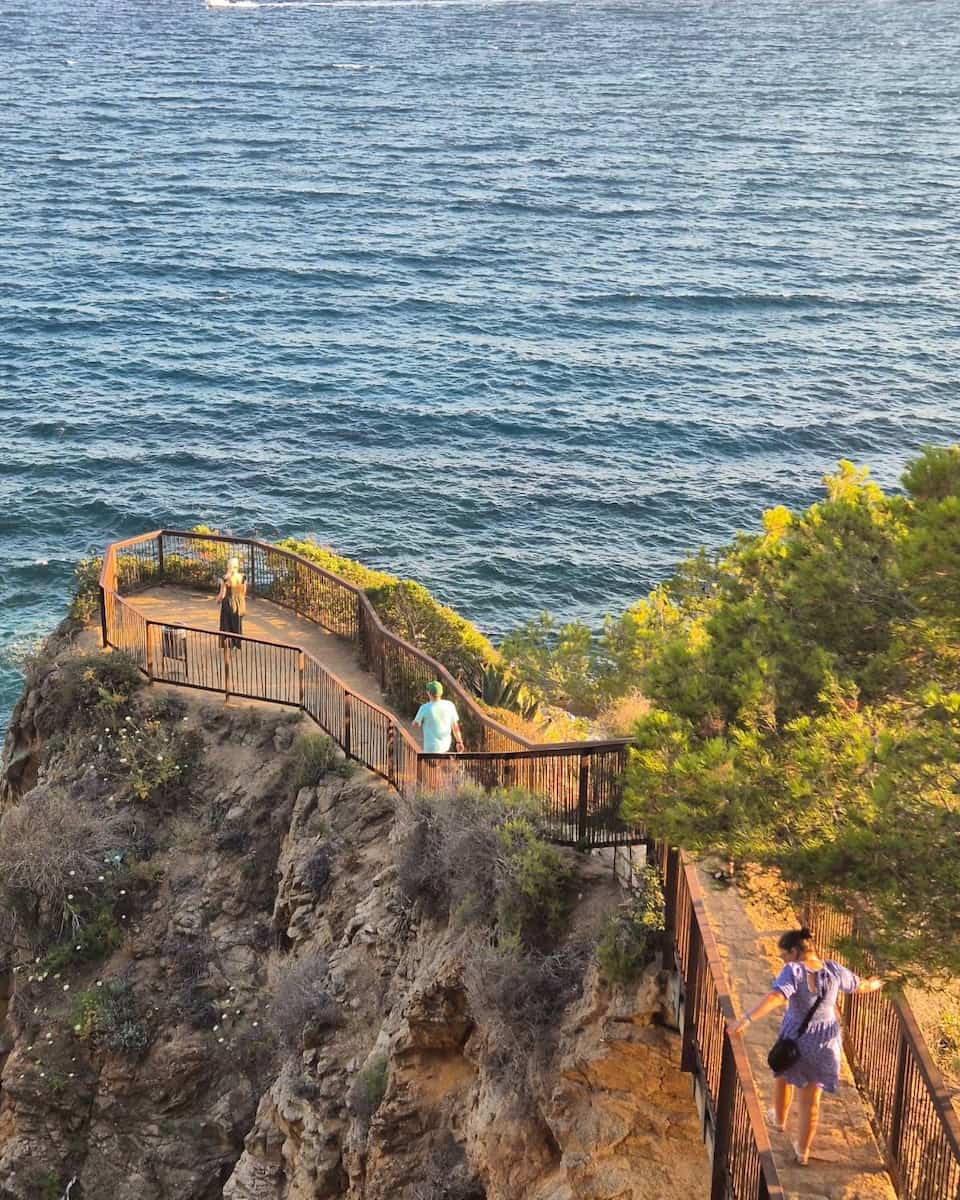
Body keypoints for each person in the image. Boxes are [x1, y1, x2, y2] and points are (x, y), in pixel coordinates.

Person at [728, 926, 884, 1165]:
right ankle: (803, 1152)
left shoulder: (794, 971)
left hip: (796, 1038)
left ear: (794, 951)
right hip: (825, 1042)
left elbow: (776, 996)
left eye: (784, 955)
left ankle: (779, 1119)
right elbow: (861, 986)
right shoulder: (833, 970)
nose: (783, 960)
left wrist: (746, 1019)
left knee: (783, 1073)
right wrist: (878, 982)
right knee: (811, 1103)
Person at [413, 681, 464, 754]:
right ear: (441, 693)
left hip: (430, 749)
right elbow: (455, 727)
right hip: (446, 747)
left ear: (429, 693)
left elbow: (415, 725)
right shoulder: (450, 705)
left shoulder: (424, 708)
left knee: (429, 760)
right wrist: (459, 741)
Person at [216, 556, 247, 650]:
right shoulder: (243, 577)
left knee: (227, 624)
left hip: (228, 603)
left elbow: (222, 595)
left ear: (228, 566)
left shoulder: (225, 578)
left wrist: (218, 600)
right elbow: (244, 591)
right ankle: (237, 644)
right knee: (237, 623)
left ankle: (229, 644)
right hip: (240, 602)